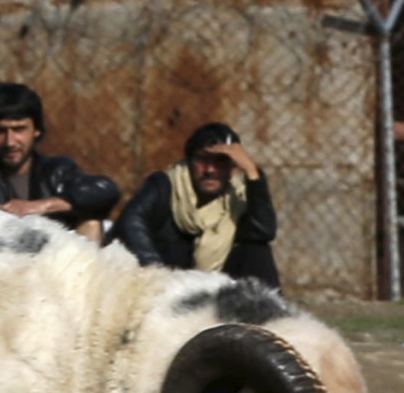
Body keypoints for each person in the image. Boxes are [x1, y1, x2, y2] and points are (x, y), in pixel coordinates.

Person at [113, 120, 281, 284]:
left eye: (220, 161)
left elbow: (263, 231)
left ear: (233, 166)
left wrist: (252, 171)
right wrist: (155, 271)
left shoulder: (236, 198)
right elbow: (132, 219)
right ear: (190, 161)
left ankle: (269, 311)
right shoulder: (166, 184)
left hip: (211, 288)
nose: (210, 170)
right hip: (162, 284)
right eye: (202, 160)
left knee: (257, 250)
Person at [0, 82, 121, 231]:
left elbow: (104, 190)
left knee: (90, 223)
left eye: (19, 129)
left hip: (51, 262)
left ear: (37, 130)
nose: (10, 142)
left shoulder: (57, 170)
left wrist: (39, 206)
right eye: (0, 131)